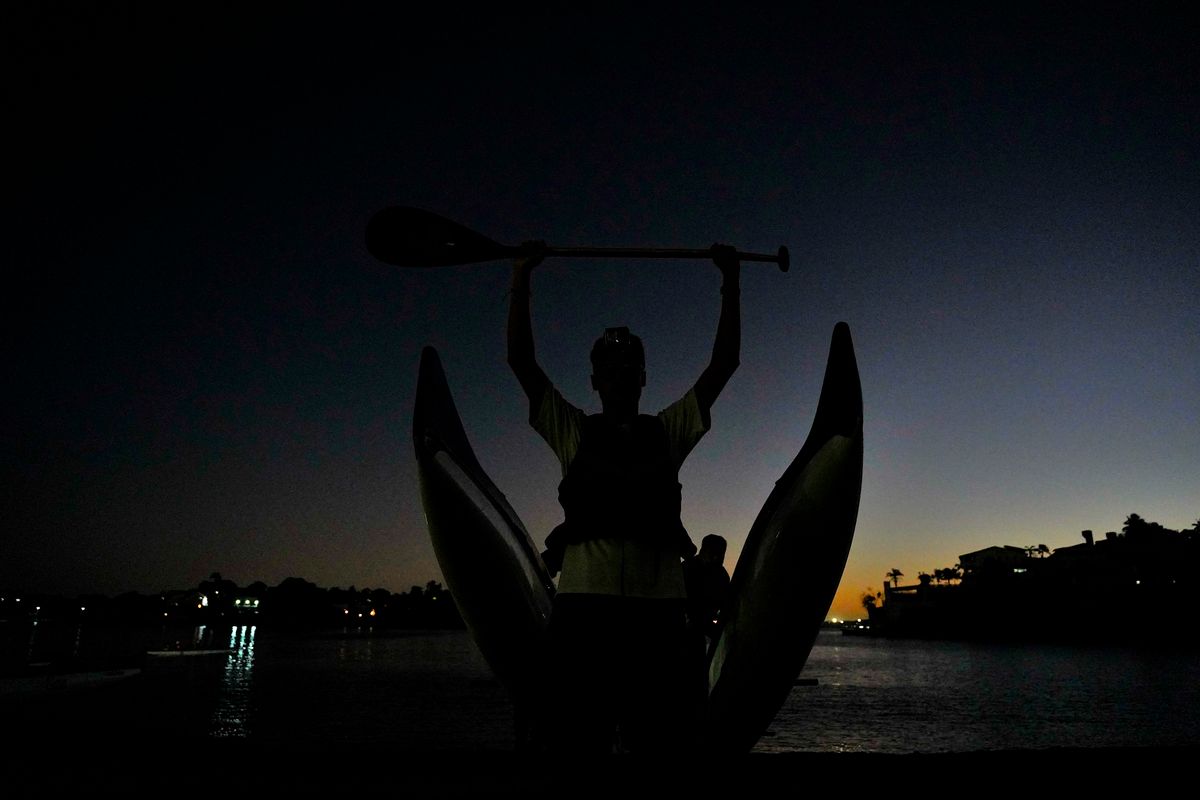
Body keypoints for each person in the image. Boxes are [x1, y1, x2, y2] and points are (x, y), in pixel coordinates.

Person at [506, 241, 741, 753]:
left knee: (662, 746)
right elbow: (521, 362)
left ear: (642, 377)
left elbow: (724, 364)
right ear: (594, 381)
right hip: (583, 615)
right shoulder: (571, 433)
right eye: (610, 370)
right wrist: (522, 275)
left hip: (659, 619)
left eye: (630, 368)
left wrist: (731, 279)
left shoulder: (670, 431)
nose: (621, 377)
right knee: (572, 743)